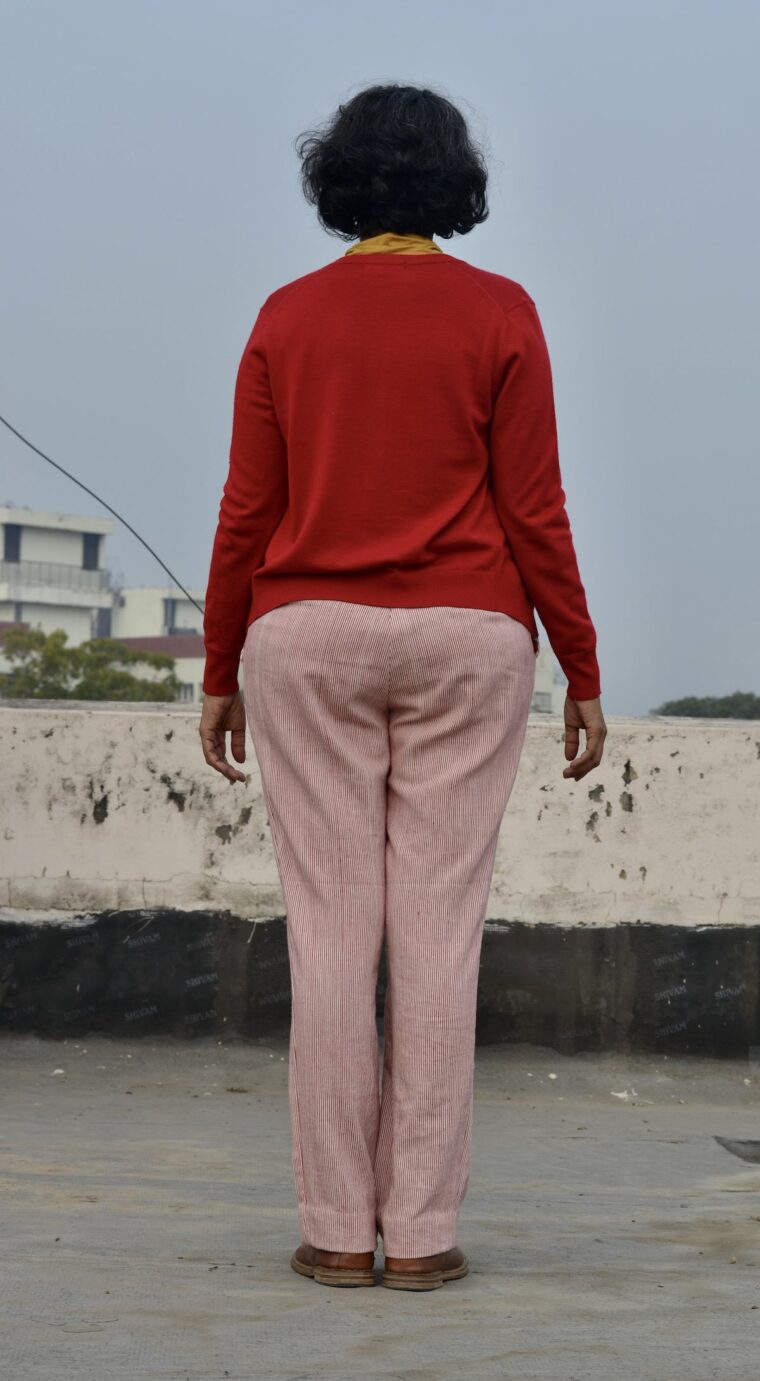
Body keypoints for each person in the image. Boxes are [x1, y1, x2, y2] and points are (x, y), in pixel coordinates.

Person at [199, 81, 607, 1292]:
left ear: (337, 184)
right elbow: (534, 505)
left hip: (306, 634)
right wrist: (580, 662)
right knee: (436, 938)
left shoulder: (288, 315)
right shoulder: (502, 313)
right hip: (470, 632)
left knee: (331, 938)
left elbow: (245, 513)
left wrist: (217, 666)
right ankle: (420, 1239)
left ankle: (334, 1229)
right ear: (451, 182)